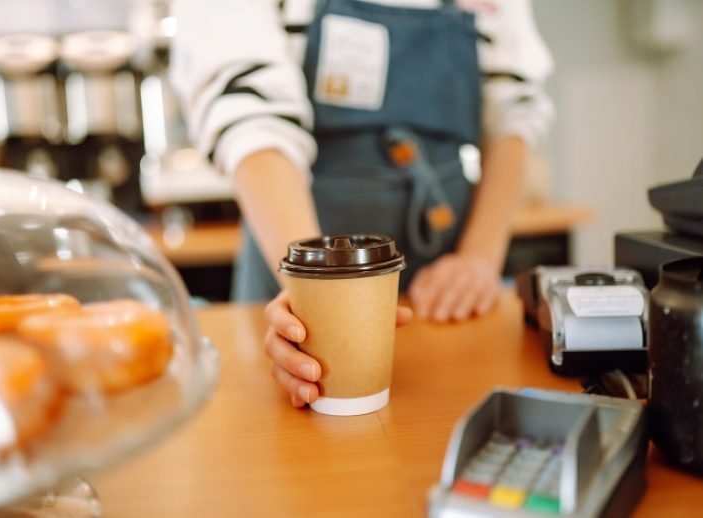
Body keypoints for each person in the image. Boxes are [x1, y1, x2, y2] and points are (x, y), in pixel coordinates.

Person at [171, 0, 554, 406]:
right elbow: (251, 117)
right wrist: (313, 296)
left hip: (447, 282)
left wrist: (479, 257)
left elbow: (514, 109)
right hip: (295, 253)